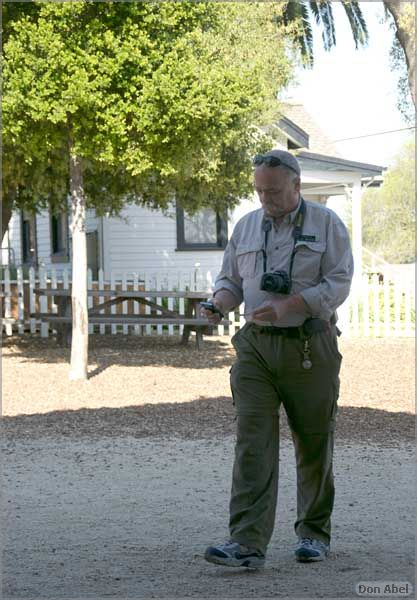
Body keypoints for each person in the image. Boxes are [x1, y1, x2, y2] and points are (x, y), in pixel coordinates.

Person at [202, 149, 353, 569]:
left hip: (309, 345)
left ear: (297, 185)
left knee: (313, 441)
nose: (265, 199)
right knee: (252, 441)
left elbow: (339, 282)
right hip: (255, 346)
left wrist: (291, 304)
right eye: (259, 191)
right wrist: (219, 302)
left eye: (273, 191)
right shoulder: (247, 226)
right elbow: (231, 279)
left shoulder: (327, 224)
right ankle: (246, 543)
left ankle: (313, 534)